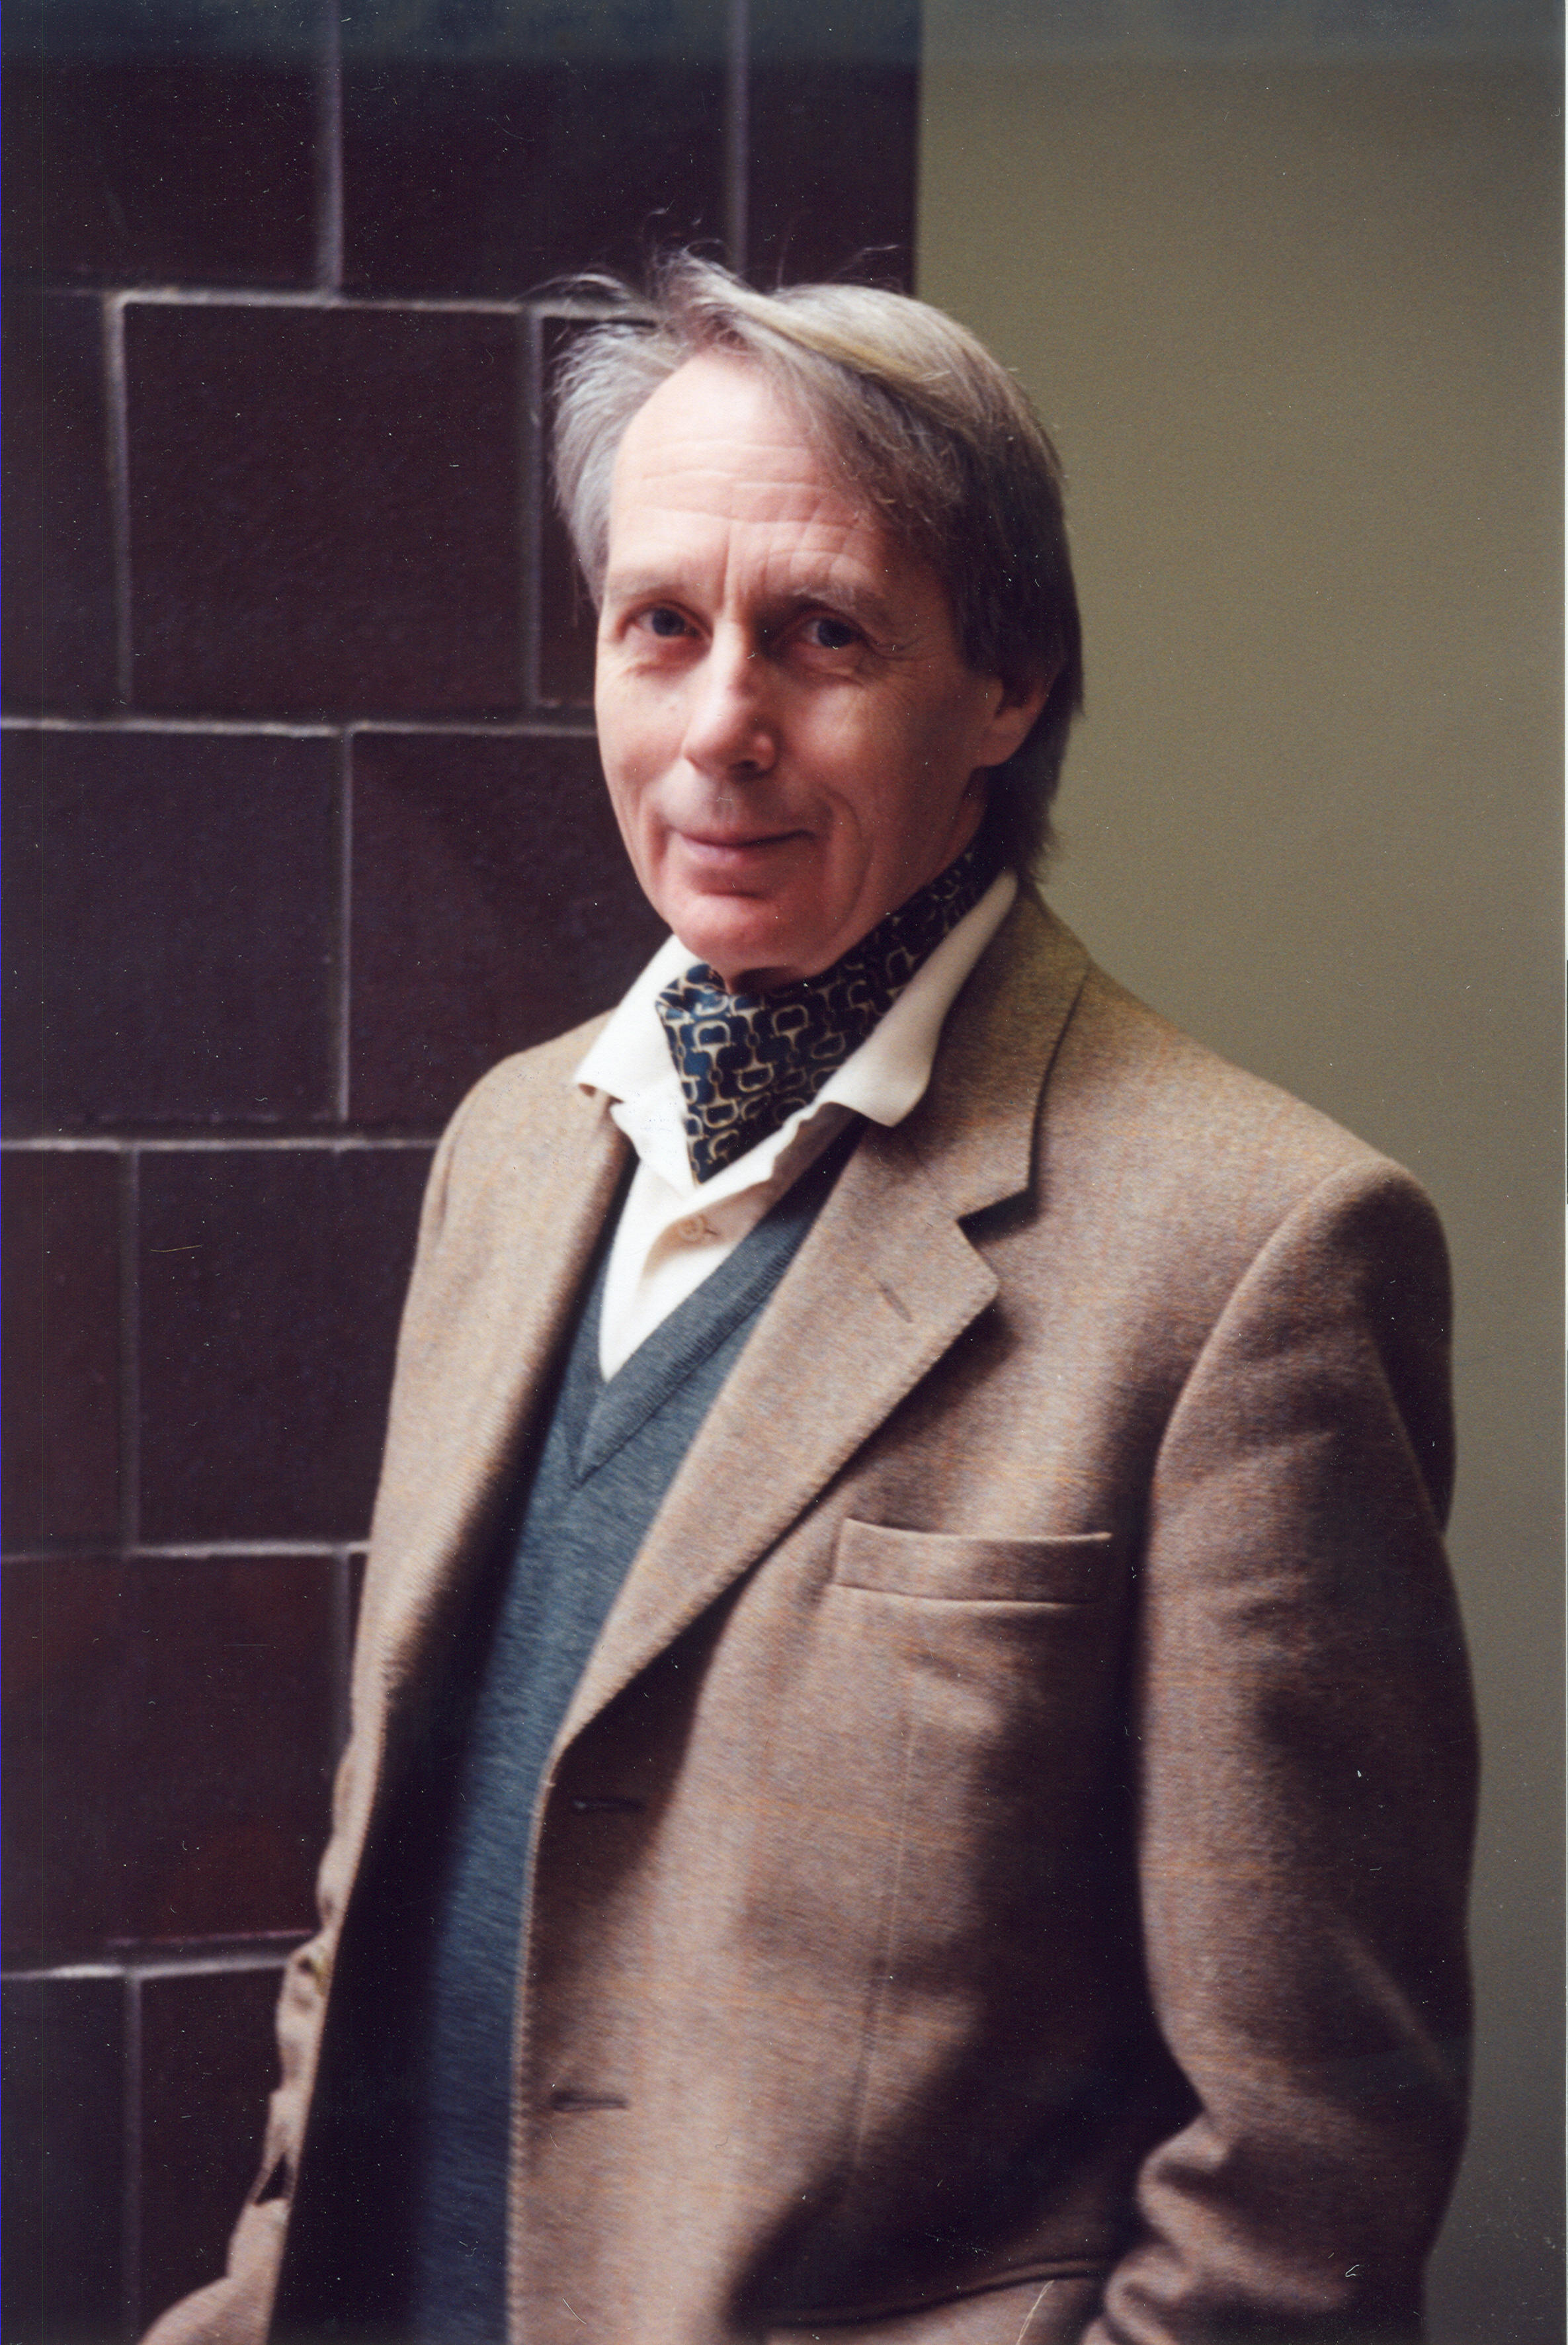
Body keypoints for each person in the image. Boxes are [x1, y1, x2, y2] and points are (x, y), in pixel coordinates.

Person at [146, 257, 1475, 2345]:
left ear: (1006, 684)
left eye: (823, 634)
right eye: (659, 626)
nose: (719, 731)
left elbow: (1304, 2164)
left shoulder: (1255, 1258)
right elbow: (384, 1875)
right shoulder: (506, 1151)